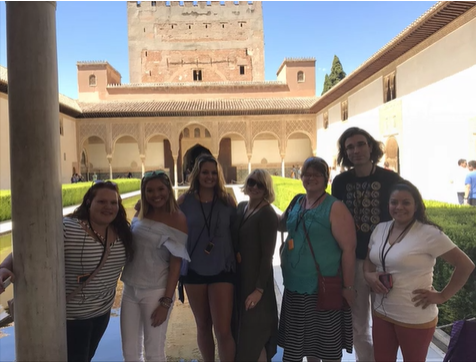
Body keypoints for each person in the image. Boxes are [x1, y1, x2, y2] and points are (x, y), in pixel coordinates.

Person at [0, 181, 133, 362]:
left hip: (101, 313)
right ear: (89, 202)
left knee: (86, 357)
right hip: (70, 317)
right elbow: (28, 250)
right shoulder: (67, 228)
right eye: (102, 202)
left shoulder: (122, 232)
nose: (108, 207)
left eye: (113, 202)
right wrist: (4, 267)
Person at [364, 180, 475, 362]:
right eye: (394, 202)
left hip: (414, 316)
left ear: (416, 206)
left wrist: (442, 296)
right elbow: (369, 261)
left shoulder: (429, 233)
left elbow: (465, 265)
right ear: (388, 205)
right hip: (381, 312)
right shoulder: (380, 229)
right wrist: (368, 276)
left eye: (406, 202)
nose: (399, 207)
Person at [331, 127, 402, 362]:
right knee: (358, 323)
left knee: (384, 322)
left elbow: (406, 212)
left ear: (370, 146)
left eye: (360, 144)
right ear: (345, 153)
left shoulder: (390, 179)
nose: (356, 150)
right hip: (355, 261)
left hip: (385, 262)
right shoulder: (340, 183)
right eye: (349, 147)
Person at [279, 157, 356, 362]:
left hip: (322, 289)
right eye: (307, 174)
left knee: (326, 347)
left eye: (317, 174)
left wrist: (348, 288)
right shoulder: (297, 201)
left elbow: (349, 249)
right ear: (300, 176)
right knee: (303, 345)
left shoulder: (334, 207)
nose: (311, 178)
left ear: (325, 178)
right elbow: (280, 225)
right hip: (295, 288)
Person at [120, 171, 189, 361]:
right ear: (144, 192)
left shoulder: (177, 218)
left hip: (156, 292)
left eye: (160, 189)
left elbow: (176, 263)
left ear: (168, 189)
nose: (155, 194)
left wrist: (166, 302)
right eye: (149, 190)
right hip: (130, 288)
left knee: (154, 352)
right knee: (130, 352)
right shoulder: (142, 211)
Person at [177, 154, 237, 362]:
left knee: (222, 329)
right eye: (205, 172)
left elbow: (238, 232)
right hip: (194, 270)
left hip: (222, 268)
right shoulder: (184, 202)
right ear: (197, 174)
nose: (209, 177)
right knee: (203, 325)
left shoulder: (227, 201)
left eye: (213, 173)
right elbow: (167, 225)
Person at [232, 169, 278, 362]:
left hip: (257, 283)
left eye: (260, 184)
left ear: (266, 188)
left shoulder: (267, 213)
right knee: (242, 333)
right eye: (251, 182)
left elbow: (267, 255)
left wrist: (259, 289)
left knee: (256, 334)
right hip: (241, 279)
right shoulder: (242, 207)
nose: (255, 187)